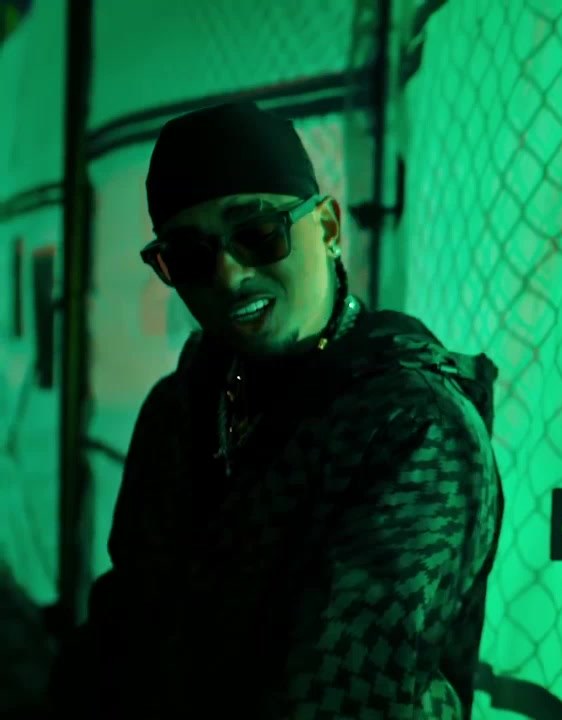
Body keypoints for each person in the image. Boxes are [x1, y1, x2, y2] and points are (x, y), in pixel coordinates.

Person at [46, 101, 503, 719]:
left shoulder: (413, 428)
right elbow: (123, 621)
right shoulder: (179, 407)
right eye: (190, 255)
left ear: (329, 227)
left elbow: (341, 698)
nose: (229, 275)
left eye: (259, 233)